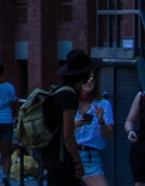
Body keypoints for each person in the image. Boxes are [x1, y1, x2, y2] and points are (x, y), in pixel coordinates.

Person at [44, 49, 97, 186]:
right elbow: (68, 134)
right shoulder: (69, 95)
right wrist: (77, 162)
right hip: (62, 159)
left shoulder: (58, 90)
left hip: (52, 155)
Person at [74, 69, 114, 186]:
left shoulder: (103, 104)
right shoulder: (71, 101)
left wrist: (101, 121)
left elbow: (107, 136)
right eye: (87, 78)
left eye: (92, 79)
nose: (89, 82)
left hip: (90, 157)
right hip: (70, 153)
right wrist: (74, 125)